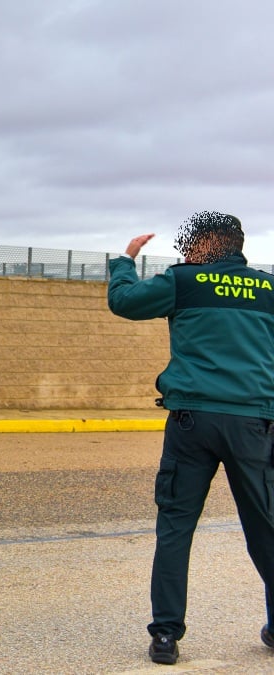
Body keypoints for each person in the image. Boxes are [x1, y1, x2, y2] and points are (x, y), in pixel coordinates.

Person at [107, 211, 274, 665]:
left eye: (192, 245)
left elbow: (123, 301)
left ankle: (165, 636)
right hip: (254, 424)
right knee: (266, 528)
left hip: (192, 422)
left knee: (176, 527)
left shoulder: (184, 282)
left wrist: (124, 260)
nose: (186, 252)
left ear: (206, 246)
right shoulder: (268, 290)